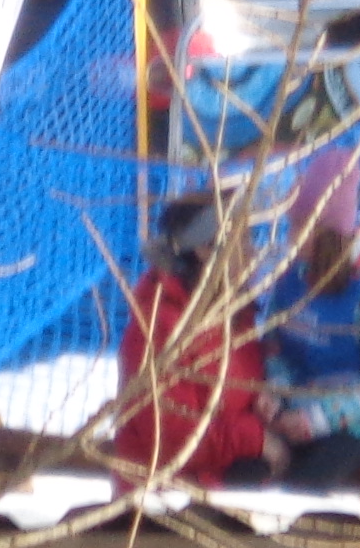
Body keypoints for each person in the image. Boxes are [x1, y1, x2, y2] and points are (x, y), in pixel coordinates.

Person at [113, 192, 272, 486]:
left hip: (228, 485)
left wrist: (267, 404)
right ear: (204, 250)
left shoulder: (234, 315)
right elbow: (171, 439)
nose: (252, 252)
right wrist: (255, 437)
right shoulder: (160, 327)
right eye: (243, 241)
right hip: (162, 500)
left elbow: (235, 397)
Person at [263, 179, 360, 488]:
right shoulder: (291, 277)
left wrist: (316, 419)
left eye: (298, 227)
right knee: (249, 472)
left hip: (348, 425)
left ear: (324, 233)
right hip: (288, 415)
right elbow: (274, 348)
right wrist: (276, 394)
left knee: (302, 488)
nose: (289, 238)